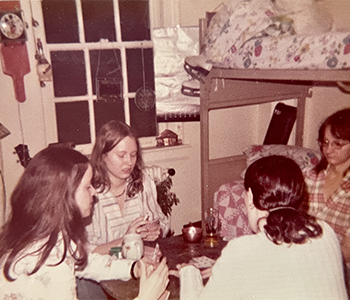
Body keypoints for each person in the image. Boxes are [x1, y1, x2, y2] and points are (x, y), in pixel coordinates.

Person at [0, 145, 169, 300]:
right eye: (88, 186)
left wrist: (133, 268)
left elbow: (89, 262)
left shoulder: (50, 237)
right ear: (64, 194)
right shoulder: (50, 262)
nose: (94, 192)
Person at [174, 156, 347, 300]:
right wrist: (230, 269)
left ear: (249, 197)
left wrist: (189, 273)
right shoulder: (325, 231)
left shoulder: (242, 249)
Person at [85, 120, 170, 255]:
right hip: (103, 270)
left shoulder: (142, 182)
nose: (129, 162)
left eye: (133, 154)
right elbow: (83, 253)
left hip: (137, 264)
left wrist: (156, 230)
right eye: (121, 155)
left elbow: (163, 223)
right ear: (103, 156)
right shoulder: (89, 192)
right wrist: (126, 239)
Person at [302, 108, 350, 288]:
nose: (328, 150)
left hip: (339, 267)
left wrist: (314, 264)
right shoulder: (309, 176)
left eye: (338, 144)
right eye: (325, 142)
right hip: (303, 257)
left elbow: (348, 249)